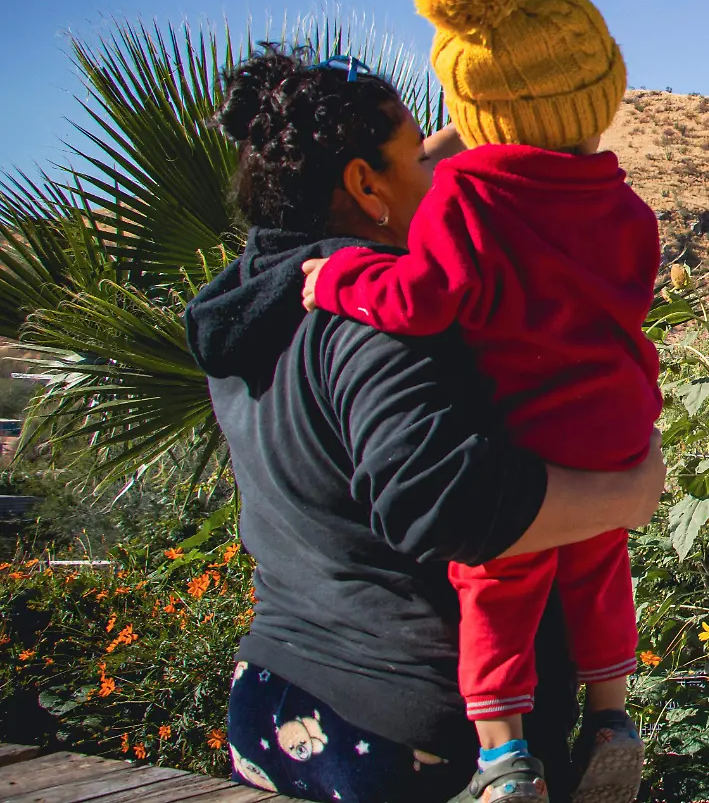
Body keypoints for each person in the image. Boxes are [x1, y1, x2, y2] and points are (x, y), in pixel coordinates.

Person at [185, 45, 665, 803]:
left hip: (278, 694)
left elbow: (411, 167)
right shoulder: (372, 320)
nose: (440, 167)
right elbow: (445, 503)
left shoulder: (251, 303)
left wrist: (492, 122)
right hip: (407, 739)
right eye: (417, 154)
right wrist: (630, 495)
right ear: (363, 183)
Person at [301, 0, 660, 803]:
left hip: (529, 425)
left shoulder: (466, 194)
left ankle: (503, 756)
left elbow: (423, 297)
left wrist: (342, 275)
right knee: (598, 561)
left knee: (496, 579)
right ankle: (612, 717)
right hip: (614, 420)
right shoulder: (622, 201)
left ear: (469, 99)